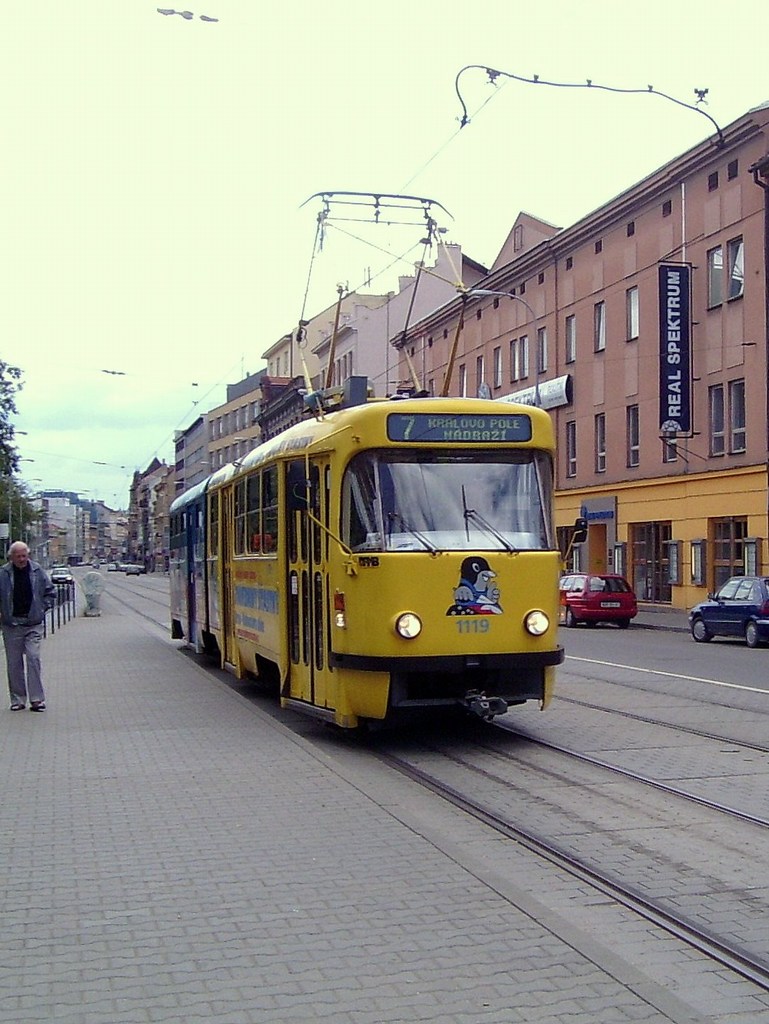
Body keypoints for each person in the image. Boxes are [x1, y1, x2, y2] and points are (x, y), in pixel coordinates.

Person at [0, 541, 56, 711]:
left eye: (25, 555)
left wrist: (41, 608)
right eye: (19, 556)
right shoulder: (3, 573)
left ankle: (37, 699)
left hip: (33, 624)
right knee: (14, 664)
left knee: (33, 658)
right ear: (12, 557)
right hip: (12, 625)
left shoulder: (37, 571)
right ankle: (18, 700)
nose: (22, 559)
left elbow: (50, 592)